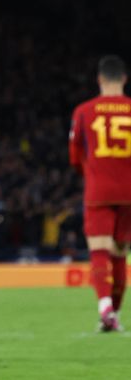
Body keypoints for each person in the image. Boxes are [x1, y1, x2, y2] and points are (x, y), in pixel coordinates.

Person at [69, 55, 131, 332]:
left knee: (99, 250)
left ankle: (105, 307)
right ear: (124, 79)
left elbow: (74, 156)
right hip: (129, 190)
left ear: (100, 79)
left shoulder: (84, 111)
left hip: (99, 189)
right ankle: (114, 313)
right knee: (120, 252)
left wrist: (91, 173)